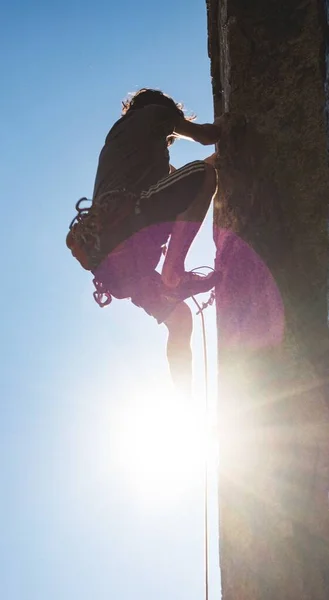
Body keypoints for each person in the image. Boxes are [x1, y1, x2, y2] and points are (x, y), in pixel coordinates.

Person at [66, 88, 222, 396]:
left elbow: (177, 183)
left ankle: (184, 402)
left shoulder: (118, 144)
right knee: (204, 175)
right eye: (169, 138)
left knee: (178, 318)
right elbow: (207, 137)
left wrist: (216, 161)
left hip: (115, 267)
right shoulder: (153, 114)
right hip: (130, 224)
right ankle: (173, 269)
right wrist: (230, 125)